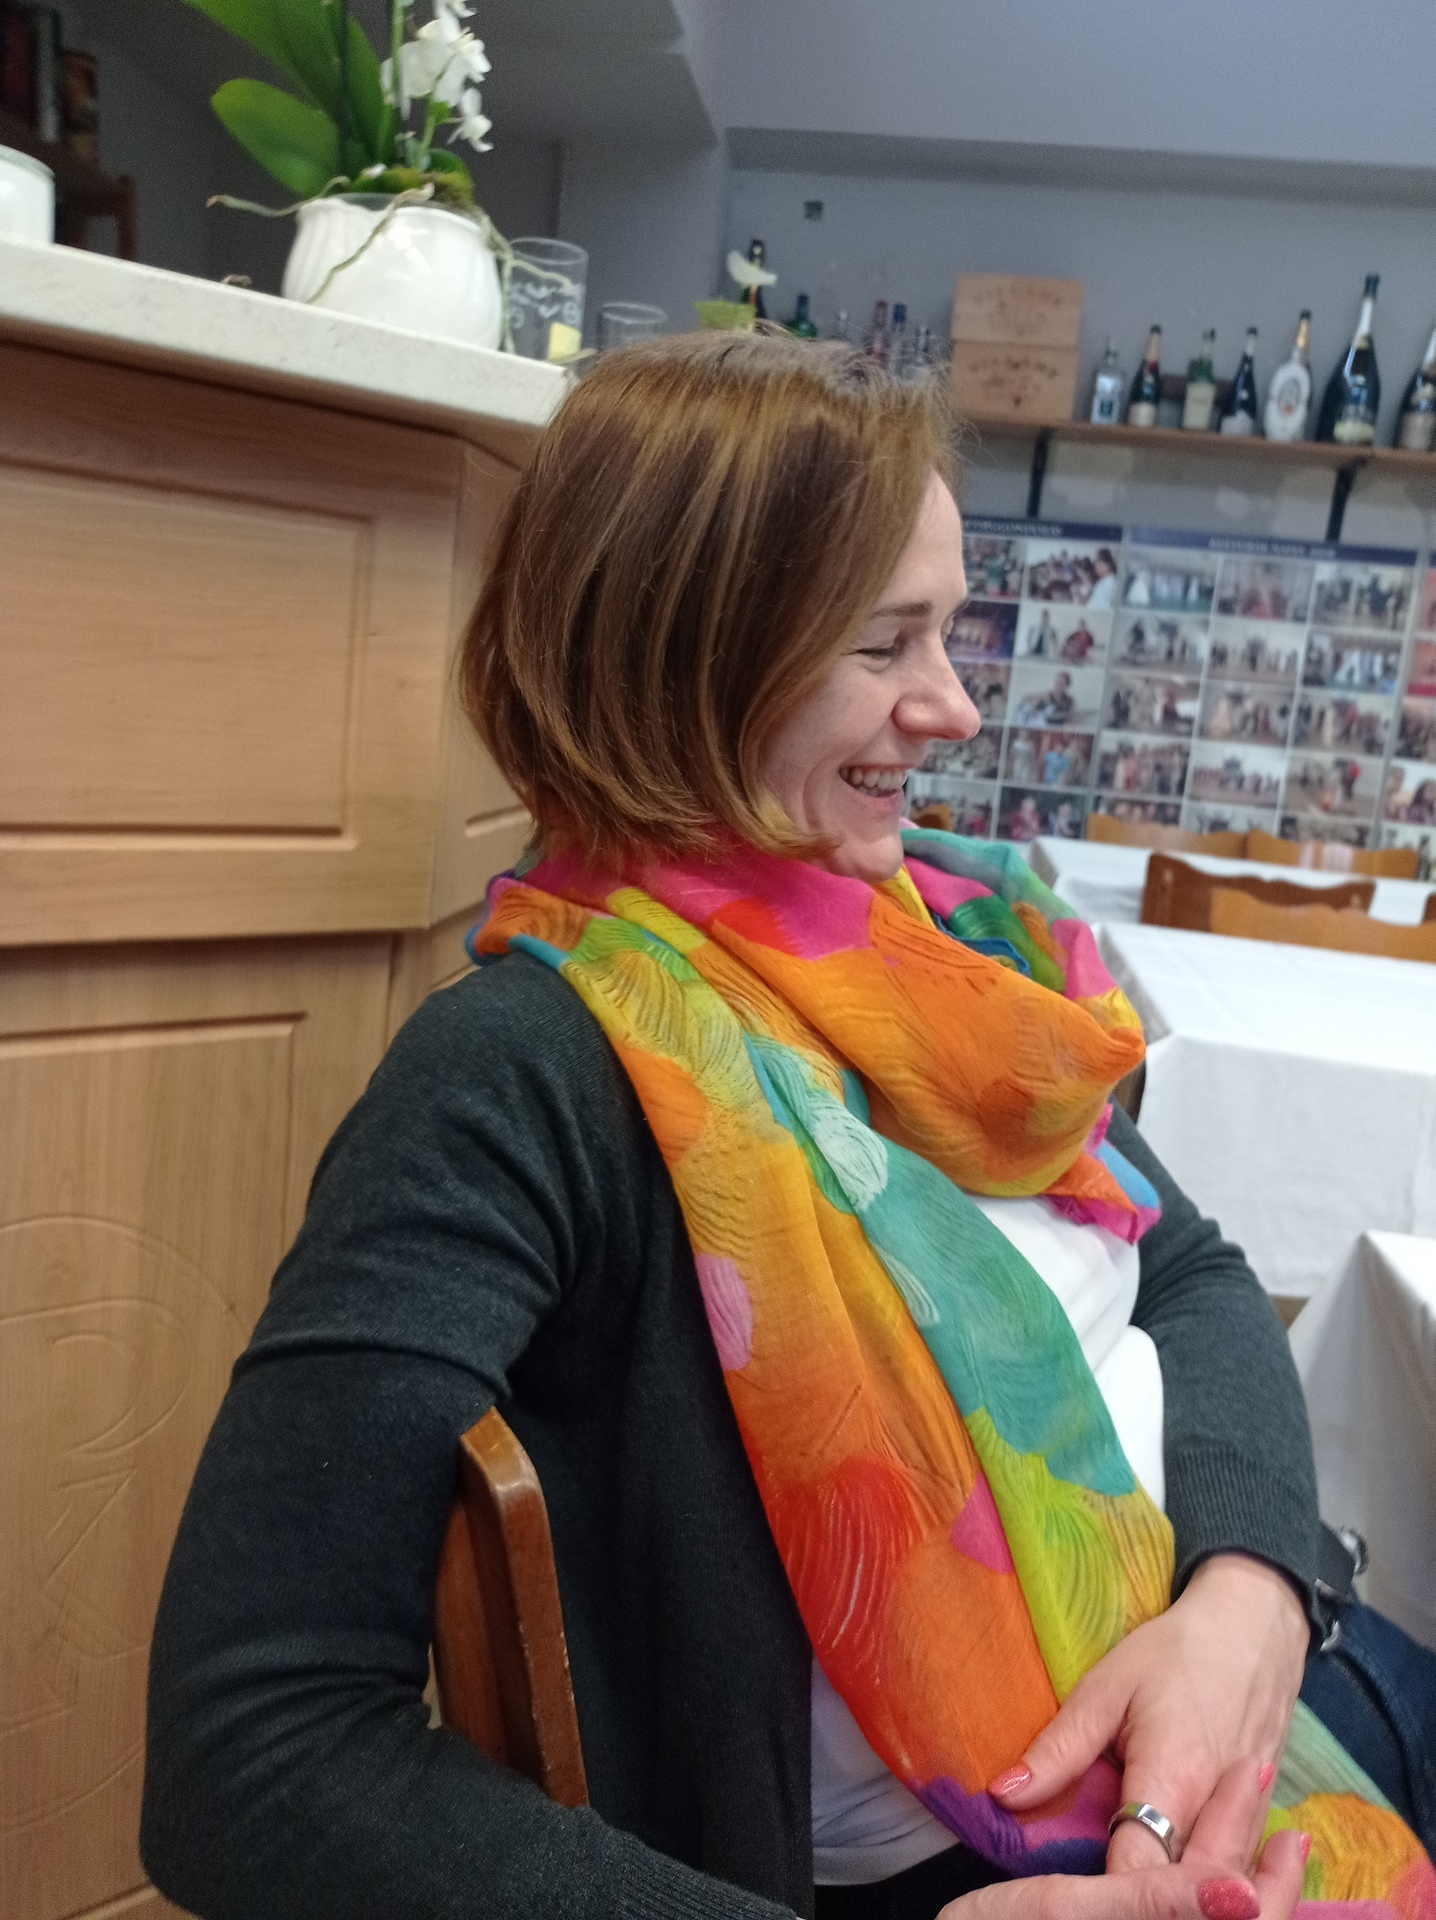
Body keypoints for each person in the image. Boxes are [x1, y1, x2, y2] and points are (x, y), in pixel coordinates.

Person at [141, 333, 1432, 1920]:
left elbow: (1194, 1272)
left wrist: (1249, 1600)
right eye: (886, 644)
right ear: (687, 659)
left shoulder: (947, 955)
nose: (955, 708)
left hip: (1248, 1703)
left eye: (948, 631)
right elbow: (248, 1755)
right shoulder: (523, 1076)